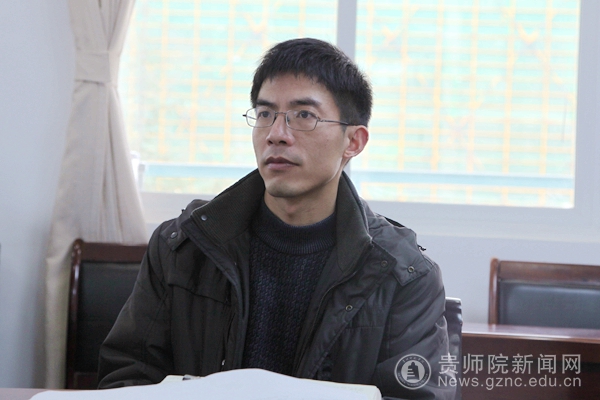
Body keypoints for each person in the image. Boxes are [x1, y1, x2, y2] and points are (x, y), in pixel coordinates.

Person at [98, 38, 455, 399]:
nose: (276, 135)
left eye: (304, 116)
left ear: (353, 142)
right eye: (265, 114)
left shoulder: (403, 274)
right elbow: (128, 375)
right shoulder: (182, 247)